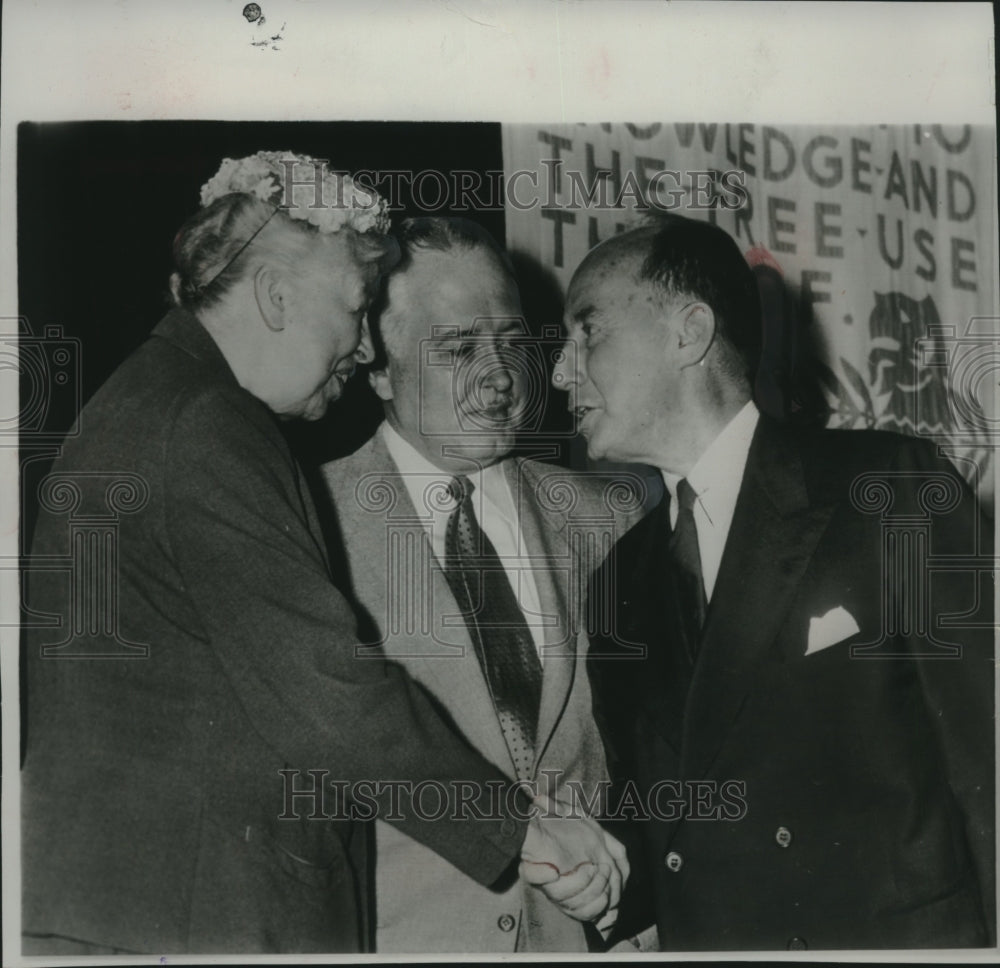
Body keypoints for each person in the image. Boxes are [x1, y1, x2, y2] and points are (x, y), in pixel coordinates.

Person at [20, 152, 625, 956]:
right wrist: (523, 830)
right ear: (275, 296)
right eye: (352, 308)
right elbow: (328, 695)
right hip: (182, 916)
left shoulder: (149, 402)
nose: (357, 343)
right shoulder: (203, 427)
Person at [552, 215, 996, 951]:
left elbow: (994, 766)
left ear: (689, 332)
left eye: (585, 332)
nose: (562, 371)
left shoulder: (891, 490)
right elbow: (665, 822)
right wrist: (604, 876)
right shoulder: (615, 581)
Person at [319, 217, 636, 952]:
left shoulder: (612, 517)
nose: (500, 377)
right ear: (375, 364)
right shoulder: (304, 527)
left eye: (514, 343)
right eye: (459, 348)